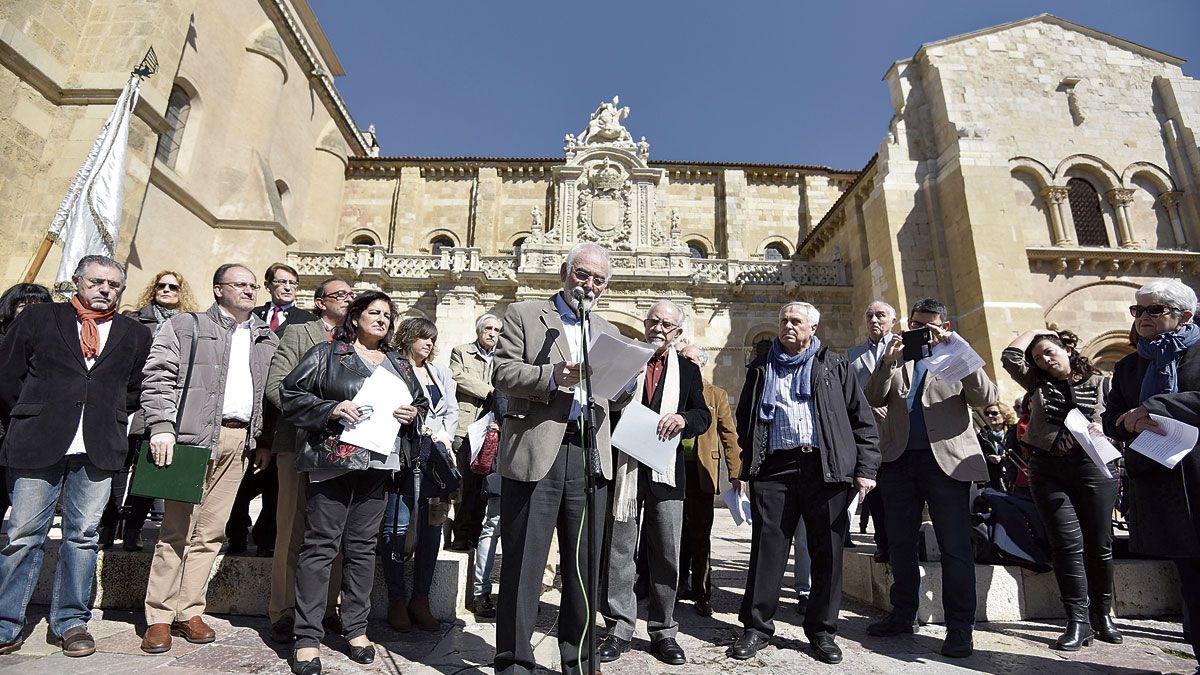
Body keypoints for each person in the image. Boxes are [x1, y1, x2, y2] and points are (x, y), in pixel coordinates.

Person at [492, 242, 632, 675]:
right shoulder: (525, 314)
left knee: (585, 567)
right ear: (564, 273)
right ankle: (514, 661)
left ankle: (580, 661)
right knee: (524, 563)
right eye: (583, 275)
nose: (590, 285)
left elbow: (615, 394)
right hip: (537, 449)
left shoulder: (608, 329)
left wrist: (627, 379)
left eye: (599, 280)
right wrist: (552, 376)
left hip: (590, 454)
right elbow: (500, 373)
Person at [0, 256, 150, 658]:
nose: (105, 290)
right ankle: (6, 622)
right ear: (76, 282)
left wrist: (109, 418)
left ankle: (71, 622)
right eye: (97, 281)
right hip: (37, 442)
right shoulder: (37, 319)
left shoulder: (134, 333)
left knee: (82, 537)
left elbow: (133, 388)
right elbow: (7, 377)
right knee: (22, 535)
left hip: (98, 448)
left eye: (114, 285)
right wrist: (35, 414)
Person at [280, 291, 426, 674]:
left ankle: (356, 629)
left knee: (362, 548)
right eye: (374, 313)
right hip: (334, 461)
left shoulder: (399, 362)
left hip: (379, 462)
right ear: (356, 317)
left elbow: (422, 404)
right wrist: (331, 408)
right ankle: (307, 637)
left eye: (388, 315)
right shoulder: (328, 353)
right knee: (320, 546)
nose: (382, 320)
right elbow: (290, 394)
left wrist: (413, 413)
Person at [727, 301, 880, 664]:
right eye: (783, 321)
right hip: (775, 468)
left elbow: (862, 420)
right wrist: (748, 466)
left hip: (824, 468)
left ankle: (823, 631)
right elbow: (745, 416)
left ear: (813, 328)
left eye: (796, 321)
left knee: (827, 551)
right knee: (767, 549)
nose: (787, 326)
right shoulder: (761, 366)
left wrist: (866, 469)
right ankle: (757, 627)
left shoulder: (834, 364)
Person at [139, 264, 279, 654]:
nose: (250, 291)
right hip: (190, 438)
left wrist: (263, 440)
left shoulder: (266, 337)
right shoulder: (187, 326)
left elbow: (269, 395)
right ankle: (159, 617)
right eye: (241, 284)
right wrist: (162, 425)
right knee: (176, 531)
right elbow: (158, 376)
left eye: (253, 286)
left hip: (239, 439)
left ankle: (189, 611)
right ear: (218, 290)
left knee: (211, 532)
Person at [863, 297, 996, 658]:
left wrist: (960, 353)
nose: (923, 331)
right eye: (916, 325)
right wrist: (888, 362)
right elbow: (873, 396)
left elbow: (985, 396)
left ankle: (960, 628)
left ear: (944, 326)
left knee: (955, 547)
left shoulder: (955, 357)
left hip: (947, 464)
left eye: (930, 326)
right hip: (899, 462)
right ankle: (903, 614)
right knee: (900, 545)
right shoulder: (898, 358)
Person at [598, 301, 710, 665]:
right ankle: (619, 628)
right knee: (619, 550)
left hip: (665, 469)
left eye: (667, 324)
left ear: (677, 333)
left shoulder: (689, 371)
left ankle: (663, 630)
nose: (659, 328)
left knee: (666, 550)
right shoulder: (628, 360)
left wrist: (682, 419)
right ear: (644, 325)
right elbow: (602, 402)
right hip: (625, 468)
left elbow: (703, 415)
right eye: (654, 321)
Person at [1104, 279, 1200, 671]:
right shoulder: (1129, 366)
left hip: (1197, 474)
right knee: (1191, 580)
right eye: (1137, 311)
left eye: (1153, 310)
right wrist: (1127, 422)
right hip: (1163, 483)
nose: (1142, 318)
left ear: (1185, 316)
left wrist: (1157, 405)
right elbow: (1113, 418)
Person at [1004, 329, 1121, 649]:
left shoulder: (1101, 382)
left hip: (1093, 467)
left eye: (1049, 351)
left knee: (1099, 545)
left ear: (1067, 350)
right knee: (1066, 545)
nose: (1045, 359)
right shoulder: (1037, 384)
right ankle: (1077, 621)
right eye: (1039, 357)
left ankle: (1102, 615)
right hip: (1048, 471)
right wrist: (1034, 333)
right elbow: (1010, 357)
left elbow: (1120, 416)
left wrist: (1107, 429)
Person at [263, 277, 355, 644]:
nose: (348, 300)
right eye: (341, 295)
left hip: (342, 450)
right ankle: (284, 609)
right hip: (299, 443)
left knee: (332, 531)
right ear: (320, 303)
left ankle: (327, 608)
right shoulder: (300, 334)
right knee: (292, 528)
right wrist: (325, 410)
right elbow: (276, 386)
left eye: (352, 295)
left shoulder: (354, 343)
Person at [101, 270, 199, 551]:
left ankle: (133, 528)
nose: (166, 290)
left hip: (161, 403)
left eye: (173, 287)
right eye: (161, 285)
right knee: (117, 467)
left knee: (149, 468)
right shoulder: (133, 319)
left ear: (182, 292)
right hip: (127, 400)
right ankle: (108, 526)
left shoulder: (190, 325)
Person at [226, 263, 317, 556]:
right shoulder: (249, 316)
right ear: (269, 285)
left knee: (275, 486)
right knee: (239, 481)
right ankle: (236, 534)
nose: (288, 287)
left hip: (281, 412)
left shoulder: (306, 322)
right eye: (281, 282)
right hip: (247, 406)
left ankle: (266, 539)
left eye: (293, 283)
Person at [381, 317, 459, 632]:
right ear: (408, 338)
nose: (428, 343)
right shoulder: (391, 367)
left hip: (435, 461)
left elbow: (451, 409)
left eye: (432, 339)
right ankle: (396, 599)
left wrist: (442, 436)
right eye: (423, 337)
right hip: (402, 457)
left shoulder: (438, 371)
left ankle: (421, 599)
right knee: (396, 528)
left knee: (432, 530)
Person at [677, 344, 741, 618]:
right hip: (672, 469)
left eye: (689, 359)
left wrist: (737, 474)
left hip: (702, 471)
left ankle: (702, 592)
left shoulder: (717, 394)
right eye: (681, 358)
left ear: (702, 365)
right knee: (672, 534)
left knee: (700, 535)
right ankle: (676, 587)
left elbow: (729, 435)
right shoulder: (672, 390)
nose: (684, 363)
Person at [447, 313, 503, 552]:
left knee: (484, 487)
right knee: (465, 485)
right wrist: (490, 391)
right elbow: (457, 377)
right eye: (488, 328)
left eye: (497, 330)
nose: (492, 333)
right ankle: (461, 534)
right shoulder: (461, 352)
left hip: (493, 431)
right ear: (479, 330)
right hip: (467, 428)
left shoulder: (503, 358)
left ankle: (475, 534)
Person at [0, 281, 52, 524]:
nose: (31, 312)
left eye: (38, 307)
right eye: (23, 306)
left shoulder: (50, 345)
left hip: (23, 432)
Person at [848, 300, 895, 562]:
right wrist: (868, 409)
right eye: (869, 316)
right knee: (874, 489)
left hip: (900, 429)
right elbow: (849, 393)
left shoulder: (906, 348)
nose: (874, 320)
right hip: (870, 433)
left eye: (881, 315)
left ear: (892, 320)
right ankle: (883, 543)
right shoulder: (853, 354)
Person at [977, 402, 1018, 492]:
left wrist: (1009, 456)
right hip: (993, 477)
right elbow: (977, 454)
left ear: (1004, 415)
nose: (990, 416)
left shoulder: (1014, 431)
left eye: (994, 413)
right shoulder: (982, 435)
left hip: (1013, 474)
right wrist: (988, 457)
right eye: (987, 414)